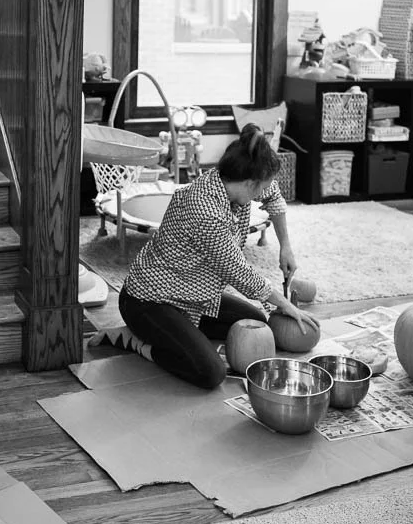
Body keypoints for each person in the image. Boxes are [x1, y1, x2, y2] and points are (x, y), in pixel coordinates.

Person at [118, 123, 320, 389]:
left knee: (256, 323)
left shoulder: (239, 179)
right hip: (149, 300)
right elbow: (237, 271)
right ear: (250, 184)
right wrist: (284, 303)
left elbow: (274, 197)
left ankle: (181, 335)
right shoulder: (205, 209)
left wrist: (286, 246)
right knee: (211, 373)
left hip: (195, 296)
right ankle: (139, 343)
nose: (263, 193)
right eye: (260, 189)